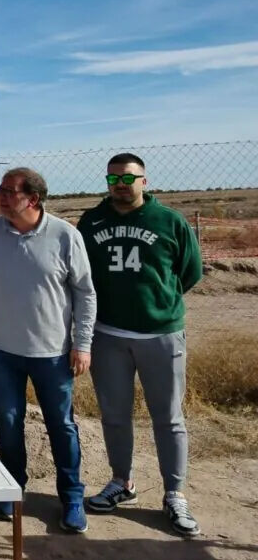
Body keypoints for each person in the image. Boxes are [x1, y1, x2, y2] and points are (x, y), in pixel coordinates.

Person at [78, 153, 203, 537]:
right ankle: (122, 482)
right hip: (109, 334)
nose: (120, 185)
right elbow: (82, 274)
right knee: (114, 415)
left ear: (144, 181)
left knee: (168, 417)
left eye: (128, 178)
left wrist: (156, 305)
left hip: (160, 334)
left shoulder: (169, 221)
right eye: (113, 179)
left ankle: (174, 493)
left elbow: (190, 271)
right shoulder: (92, 221)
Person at [0, 168, 96, 533]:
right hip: (0, 351)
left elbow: (85, 293)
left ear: (33, 199)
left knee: (61, 425)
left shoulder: (65, 236)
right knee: (8, 422)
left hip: (52, 354)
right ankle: (13, 487)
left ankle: (71, 497)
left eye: (10, 192)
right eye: (1, 189)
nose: (2, 197)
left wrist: (82, 344)